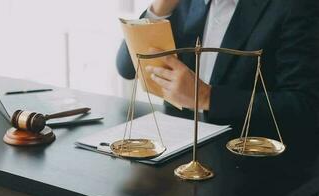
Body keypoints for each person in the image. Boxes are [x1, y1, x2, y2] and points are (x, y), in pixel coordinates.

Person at [116, 0, 319, 143]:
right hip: (176, 145)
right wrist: (158, 10)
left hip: (247, 157)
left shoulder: (295, 6)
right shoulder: (182, 3)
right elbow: (127, 68)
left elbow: (304, 105)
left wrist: (207, 97)